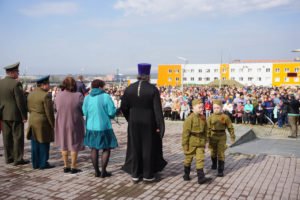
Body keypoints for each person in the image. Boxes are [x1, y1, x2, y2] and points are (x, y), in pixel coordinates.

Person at [120, 63, 167, 183]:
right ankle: (147, 175)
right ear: (148, 75)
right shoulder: (152, 89)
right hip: (149, 122)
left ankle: (135, 174)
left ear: (138, 74)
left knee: (134, 147)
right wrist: (160, 126)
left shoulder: (129, 88)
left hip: (134, 122)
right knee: (148, 148)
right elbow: (157, 110)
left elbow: (123, 107)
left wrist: (130, 118)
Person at [83, 79, 118, 177]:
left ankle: (96, 171)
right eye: (103, 86)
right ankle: (103, 171)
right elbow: (111, 112)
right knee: (106, 148)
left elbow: (84, 112)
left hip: (91, 127)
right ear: (100, 87)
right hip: (104, 127)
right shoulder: (106, 97)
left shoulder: (87, 98)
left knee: (94, 149)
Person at [0, 62, 29, 165]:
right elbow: (20, 102)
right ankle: (18, 159)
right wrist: (24, 116)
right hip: (15, 114)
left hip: (3, 114)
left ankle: (9, 158)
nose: (18, 73)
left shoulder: (1, 83)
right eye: (17, 71)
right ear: (12, 72)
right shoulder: (16, 83)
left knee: (6, 137)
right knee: (18, 137)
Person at [55, 76, 85, 173]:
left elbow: (56, 108)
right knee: (74, 143)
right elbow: (83, 110)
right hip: (74, 122)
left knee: (64, 143)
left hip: (61, 122)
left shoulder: (58, 95)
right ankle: (73, 166)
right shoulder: (79, 95)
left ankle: (65, 165)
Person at [26, 75, 55, 169]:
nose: (49, 86)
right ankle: (43, 163)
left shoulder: (31, 94)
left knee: (34, 143)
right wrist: (52, 124)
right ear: (43, 85)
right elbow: (49, 112)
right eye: (48, 84)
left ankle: (35, 163)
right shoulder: (46, 95)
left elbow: (29, 108)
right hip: (42, 121)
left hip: (32, 119)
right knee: (44, 142)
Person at [182, 99, 211, 184]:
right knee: (188, 159)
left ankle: (201, 178)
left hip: (200, 142)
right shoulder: (189, 119)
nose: (202, 109)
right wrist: (185, 145)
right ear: (193, 107)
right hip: (191, 142)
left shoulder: (203, 117)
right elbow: (185, 133)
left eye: (202, 107)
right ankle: (186, 175)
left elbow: (206, 130)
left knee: (200, 159)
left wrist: (206, 140)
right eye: (200, 107)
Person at [207, 99, 235, 177]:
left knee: (221, 153)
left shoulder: (225, 117)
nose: (216, 109)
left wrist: (232, 137)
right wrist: (207, 138)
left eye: (218, 107)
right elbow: (207, 128)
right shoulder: (210, 117)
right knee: (213, 152)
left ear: (221, 108)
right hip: (213, 136)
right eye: (214, 108)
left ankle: (220, 170)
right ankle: (214, 163)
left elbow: (230, 127)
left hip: (222, 136)